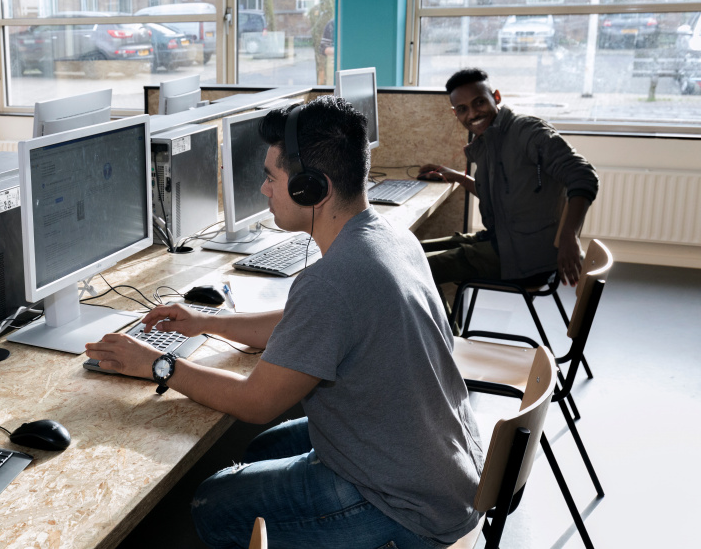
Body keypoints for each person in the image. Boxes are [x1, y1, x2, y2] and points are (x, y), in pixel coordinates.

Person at [86, 97, 484, 549]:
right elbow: (305, 325)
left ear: (312, 188)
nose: (264, 189)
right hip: (441, 468)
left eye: (271, 177)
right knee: (257, 449)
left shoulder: (333, 280)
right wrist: (206, 322)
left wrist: (159, 365)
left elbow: (255, 402)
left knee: (208, 504)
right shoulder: (388, 236)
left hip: (403, 505)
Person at [418, 68, 598, 297]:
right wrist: (456, 176)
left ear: (497, 98)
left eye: (479, 102)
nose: (472, 114)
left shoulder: (528, 132)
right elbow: (501, 195)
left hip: (525, 257)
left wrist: (569, 235)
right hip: (503, 240)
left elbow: (584, 175)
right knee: (412, 252)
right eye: (463, 109)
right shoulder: (491, 139)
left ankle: (442, 334)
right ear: (455, 113)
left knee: (415, 270)